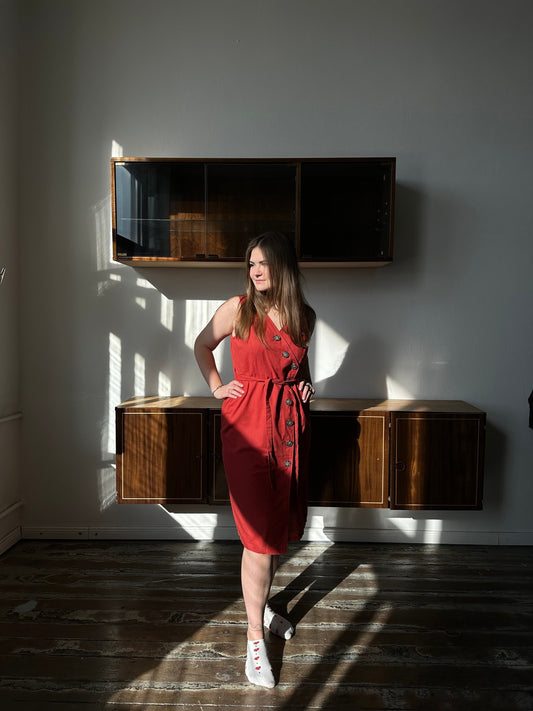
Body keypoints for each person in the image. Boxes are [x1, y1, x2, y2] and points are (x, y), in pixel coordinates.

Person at [194, 231, 316, 689]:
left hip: (288, 427)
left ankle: (261, 609)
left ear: (283, 265)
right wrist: (216, 387)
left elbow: (300, 369)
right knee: (258, 536)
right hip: (246, 427)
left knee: (275, 528)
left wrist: (306, 387)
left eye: (263, 263)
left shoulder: (305, 316)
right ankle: (253, 641)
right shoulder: (237, 309)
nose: (255, 271)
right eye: (250, 264)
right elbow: (201, 346)